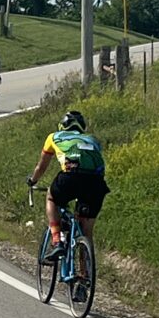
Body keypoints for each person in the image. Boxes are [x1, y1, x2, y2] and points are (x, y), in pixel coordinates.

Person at [26, 109, 109, 259]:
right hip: (96, 183)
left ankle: (57, 240)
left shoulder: (54, 137)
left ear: (62, 125)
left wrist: (33, 180)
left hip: (70, 177)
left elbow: (41, 167)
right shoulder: (92, 139)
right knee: (86, 232)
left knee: (51, 197)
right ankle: (86, 271)